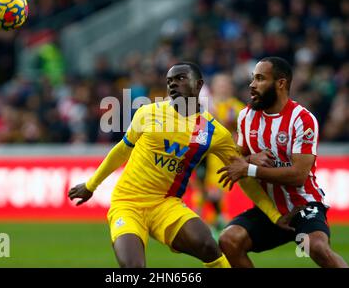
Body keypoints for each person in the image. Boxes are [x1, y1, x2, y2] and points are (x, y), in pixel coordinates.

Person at [68, 62, 293, 268]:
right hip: (127, 203)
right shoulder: (149, 113)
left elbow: (242, 176)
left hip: (166, 205)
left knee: (208, 247)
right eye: (169, 81)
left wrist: (273, 215)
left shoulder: (213, 132)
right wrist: (91, 185)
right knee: (133, 268)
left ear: (199, 85)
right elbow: (121, 151)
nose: (173, 84)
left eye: (181, 78)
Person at [217, 56, 348, 268]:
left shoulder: (302, 119)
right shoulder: (246, 116)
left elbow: (298, 176)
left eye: (260, 78)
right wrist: (250, 159)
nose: (252, 85)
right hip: (270, 210)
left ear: (280, 83)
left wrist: (250, 168)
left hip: (303, 205)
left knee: (316, 247)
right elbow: (237, 160)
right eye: (253, 78)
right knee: (229, 240)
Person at [195, 74, 245, 237]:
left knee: (215, 191)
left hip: (220, 156)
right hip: (201, 154)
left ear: (230, 87)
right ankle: (205, 224)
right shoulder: (205, 105)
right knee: (201, 190)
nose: (222, 87)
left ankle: (216, 222)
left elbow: (241, 132)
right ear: (214, 87)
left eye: (225, 84)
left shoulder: (237, 108)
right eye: (219, 84)